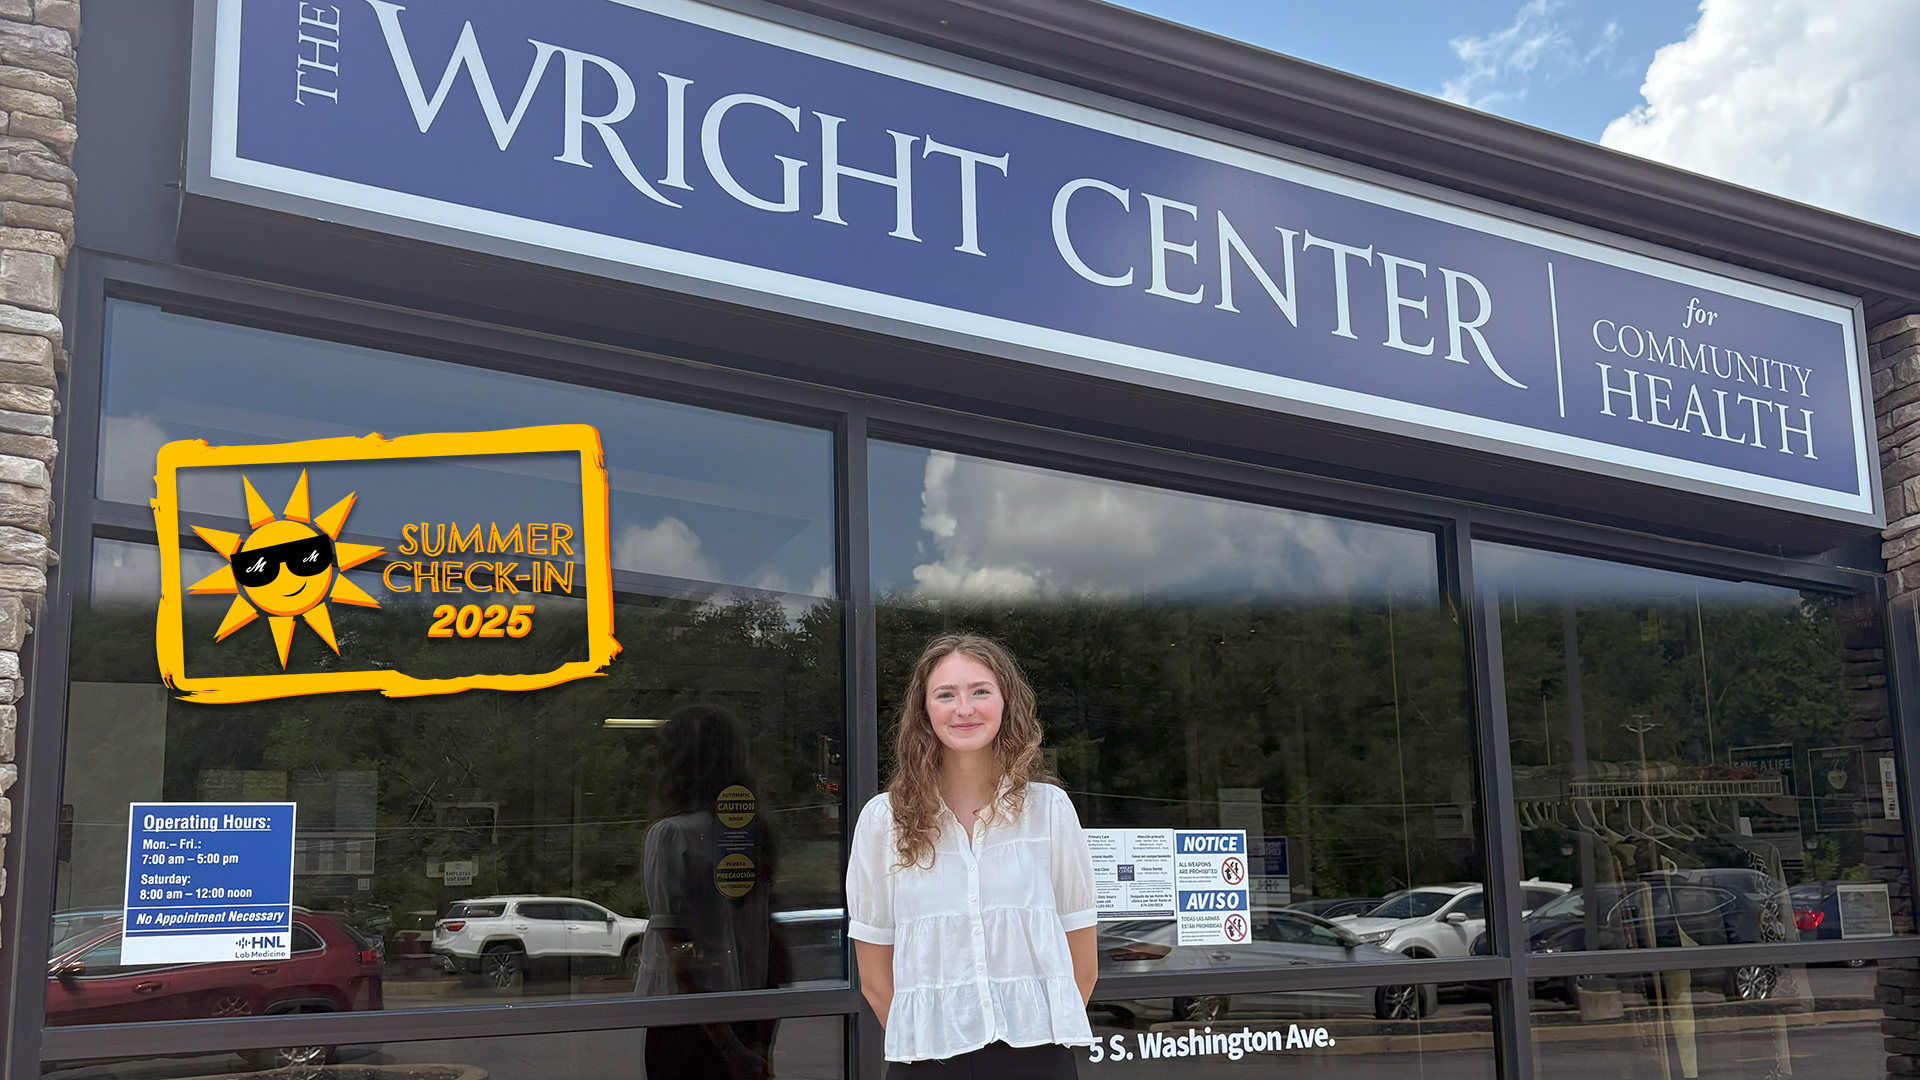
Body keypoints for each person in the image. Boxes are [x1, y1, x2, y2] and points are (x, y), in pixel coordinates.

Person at [847, 633, 1097, 1078]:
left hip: (1038, 1059)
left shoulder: (1049, 811)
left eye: (980, 691)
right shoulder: (883, 821)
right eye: (946, 695)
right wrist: (934, 1040)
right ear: (925, 710)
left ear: (1006, 702)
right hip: (928, 1062)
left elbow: (1083, 966)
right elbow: (874, 979)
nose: (964, 709)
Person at [635, 704, 788, 1080]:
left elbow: (681, 956)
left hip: (687, 1030)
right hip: (746, 1020)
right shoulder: (754, 834)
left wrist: (729, 1048)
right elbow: (771, 950)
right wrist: (756, 1043)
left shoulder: (671, 836)